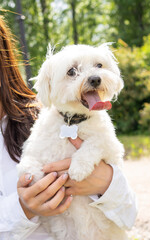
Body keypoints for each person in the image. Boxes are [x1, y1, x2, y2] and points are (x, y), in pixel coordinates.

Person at [0, 15, 137, 240]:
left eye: (98, 66)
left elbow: (130, 214)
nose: (92, 77)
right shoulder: (46, 125)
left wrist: (106, 183)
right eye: (72, 72)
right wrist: (23, 207)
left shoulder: (34, 116)